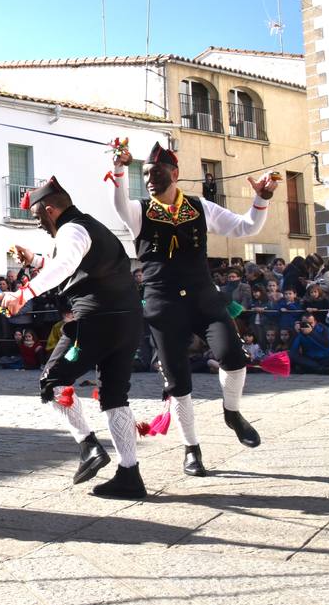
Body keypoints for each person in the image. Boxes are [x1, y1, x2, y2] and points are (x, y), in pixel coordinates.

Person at [109, 143, 279, 477]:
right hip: (162, 302)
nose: (149, 180)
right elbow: (117, 203)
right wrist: (117, 168)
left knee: (233, 356)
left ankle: (232, 413)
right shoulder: (139, 211)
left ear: (174, 174)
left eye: (156, 173)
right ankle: (192, 448)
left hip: (203, 297)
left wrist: (262, 200)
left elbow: (247, 228)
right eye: (144, 174)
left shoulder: (200, 207)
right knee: (178, 381)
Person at [0, 178, 148, 498]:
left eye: (39, 217)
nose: (40, 224)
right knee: (114, 396)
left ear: (51, 209)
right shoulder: (90, 227)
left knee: (53, 381)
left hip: (95, 322)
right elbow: (72, 263)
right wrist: (36, 261)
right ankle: (129, 474)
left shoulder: (71, 230)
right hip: (128, 321)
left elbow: (66, 264)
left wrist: (23, 293)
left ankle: (90, 447)